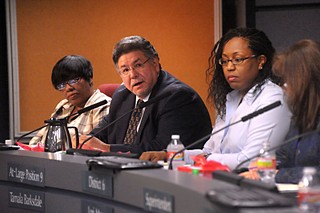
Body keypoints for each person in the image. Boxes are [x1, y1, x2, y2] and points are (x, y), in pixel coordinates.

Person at [140, 28, 291, 170]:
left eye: (238, 59)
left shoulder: (272, 99)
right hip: (220, 179)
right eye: (225, 61)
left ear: (261, 61)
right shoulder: (232, 98)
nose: (229, 67)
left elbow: (252, 160)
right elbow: (209, 150)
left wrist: (207, 158)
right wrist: (170, 156)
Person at [77, 35, 212, 154]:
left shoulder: (177, 97)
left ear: (155, 63)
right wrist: (84, 140)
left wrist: (108, 148)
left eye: (139, 65)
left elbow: (161, 148)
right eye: (125, 70)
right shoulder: (122, 95)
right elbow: (102, 133)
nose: (133, 75)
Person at [29, 55, 111, 147]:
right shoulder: (63, 106)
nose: (68, 88)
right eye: (62, 85)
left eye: (73, 80)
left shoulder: (103, 105)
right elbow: (37, 140)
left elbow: (95, 147)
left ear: (90, 79)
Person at [272, 39, 320, 184]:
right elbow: (283, 156)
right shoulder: (301, 117)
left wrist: (280, 175)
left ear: (302, 80)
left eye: (287, 80)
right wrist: (265, 168)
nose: (284, 87)